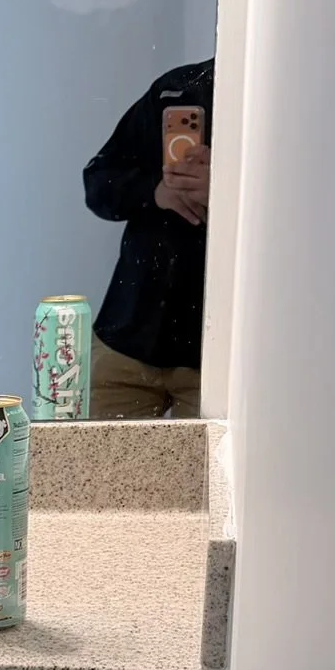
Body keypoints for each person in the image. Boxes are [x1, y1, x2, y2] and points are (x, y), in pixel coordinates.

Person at [83, 59, 213, 417]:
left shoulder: (280, 106)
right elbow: (98, 182)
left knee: (211, 459)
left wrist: (227, 190)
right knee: (93, 454)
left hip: (214, 358)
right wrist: (154, 191)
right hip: (128, 337)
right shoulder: (177, 90)